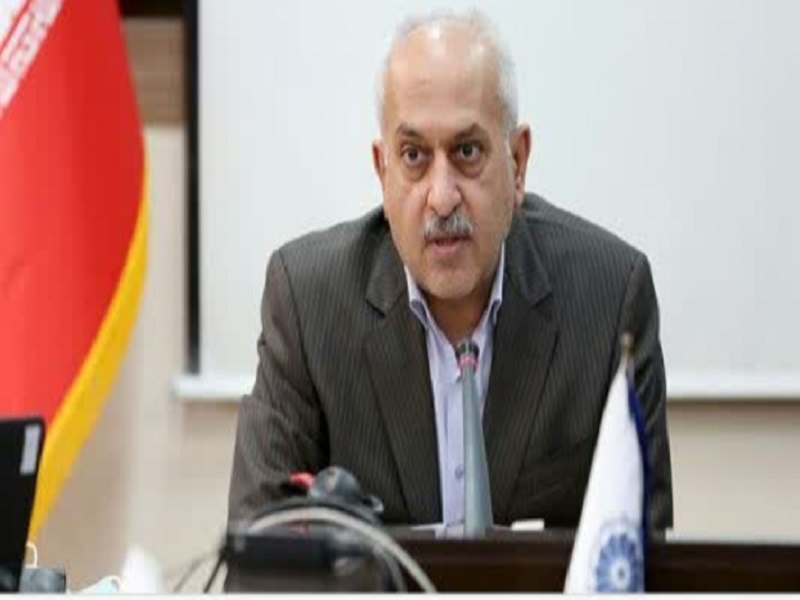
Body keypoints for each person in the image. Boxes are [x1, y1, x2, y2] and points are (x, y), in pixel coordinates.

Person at [227, 10, 672, 531]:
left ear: (518, 162)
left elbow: (642, 558)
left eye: (467, 152)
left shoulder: (610, 300)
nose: (441, 197)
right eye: (414, 155)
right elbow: (258, 549)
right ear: (383, 170)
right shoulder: (308, 303)